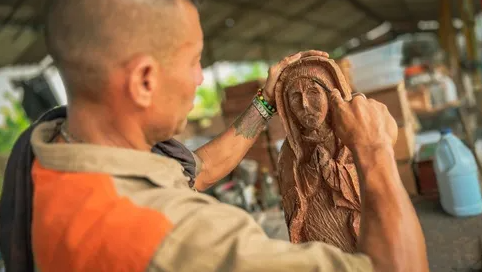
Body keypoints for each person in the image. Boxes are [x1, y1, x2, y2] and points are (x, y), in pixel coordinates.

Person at [0, 0, 429, 271]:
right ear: (144, 81)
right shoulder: (183, 241)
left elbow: (195, 169)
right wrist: (374, 150)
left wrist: (264, 104)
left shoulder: (46, 148)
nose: (201, 78)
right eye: (193, 61)